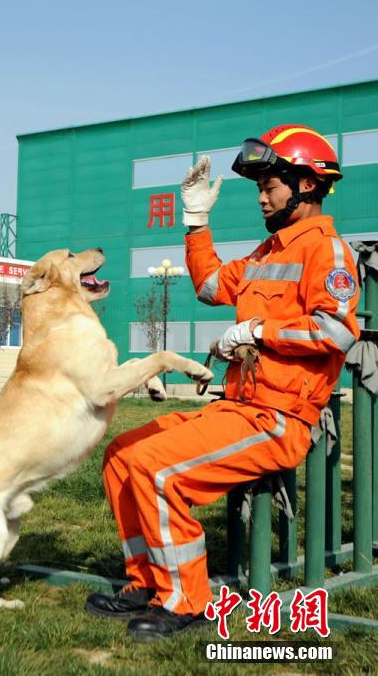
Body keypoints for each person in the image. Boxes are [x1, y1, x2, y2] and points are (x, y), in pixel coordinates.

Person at [85, 124, 360, 643]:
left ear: (306, 185)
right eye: (260, 188)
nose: (260, 197)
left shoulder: (328, 252)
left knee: (157, 469)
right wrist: (196, 221)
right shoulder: (266, 253)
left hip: (279, 419)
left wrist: (257, 331)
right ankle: (147, 582)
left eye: (269, 186)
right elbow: (210, 285)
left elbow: (336, 331)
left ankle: (186, 600)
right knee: (122, 455)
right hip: (239, 409)